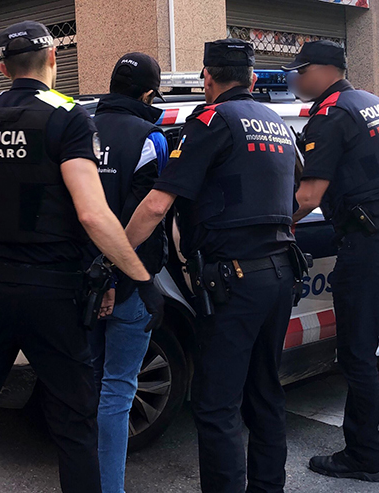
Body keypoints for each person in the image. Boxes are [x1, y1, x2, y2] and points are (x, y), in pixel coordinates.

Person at [0, 21, 163, 493]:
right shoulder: (69, 118)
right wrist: (142, 278)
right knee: (74, 422)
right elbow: (93, 215)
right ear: (54, 60)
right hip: (51, 292)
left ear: (1, 67)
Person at [125, 39, 299, 493]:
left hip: (235, 281)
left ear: (207, 76)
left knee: (217, 404)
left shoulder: (210, 121)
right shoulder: (276, 121)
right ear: (254, 79)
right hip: (280, 273)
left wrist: (115, 255)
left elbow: (157, 204)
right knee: (265, 394)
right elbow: (296, 192)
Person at [286, 40, 379, 483]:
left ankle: (363, 456)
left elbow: (309, 197)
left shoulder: (329, 116)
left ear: (325, 70)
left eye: (301, 70)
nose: (296, 79)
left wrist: (266, 225)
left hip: (369, 242)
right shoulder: (374, 103)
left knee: (355, 351)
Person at [88, 52, 169, 493]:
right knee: (118, 390)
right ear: (147, 93)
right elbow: (148, 213)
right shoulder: (150, 138)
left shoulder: (78, 130)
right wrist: (117, 279)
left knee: (86, 385)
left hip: (79, 285)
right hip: (128, 285)